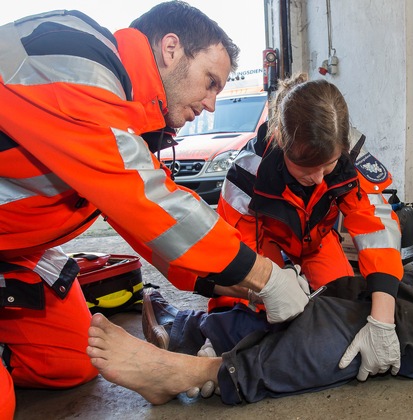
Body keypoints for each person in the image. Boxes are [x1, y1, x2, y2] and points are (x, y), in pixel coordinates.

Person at [86, 57, 413, 406]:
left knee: (371, 319)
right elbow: (221, 252)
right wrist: (246, 292)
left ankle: (201, 370)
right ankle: (202, 332)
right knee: (345, 295)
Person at [0, 2, 311, 417]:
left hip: (14, 250)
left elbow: (141, 224)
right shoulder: (76, 61)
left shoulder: (128, 117)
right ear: (170, 49)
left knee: (69, 361)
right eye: (211, 82)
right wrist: (266, 276)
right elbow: (149, 201)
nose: (211, 104)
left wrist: (220, 284)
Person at [173, 73, 404, 381]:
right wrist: (227, 321)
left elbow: (377, 232)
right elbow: (232, 252)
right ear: (281, 141)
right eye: (307, 168)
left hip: (317, 239)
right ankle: (183, 327)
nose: (320, 178)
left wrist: (383, 321)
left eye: (328, 165)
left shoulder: (350, 155)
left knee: (344, 305)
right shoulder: (247, 172)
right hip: (263, 240)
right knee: (257, 315)